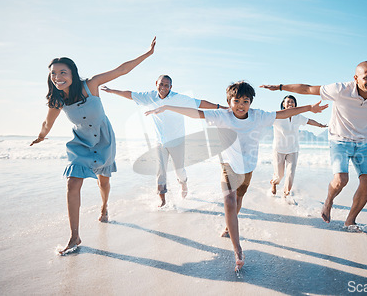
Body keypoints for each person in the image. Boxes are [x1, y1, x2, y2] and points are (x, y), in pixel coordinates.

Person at [145, 81, 328, 271]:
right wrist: (167, 106)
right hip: (228, 165)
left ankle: (228, 226)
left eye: (245, 101)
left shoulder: (258, 116)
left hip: (248, 167)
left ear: (251, 102)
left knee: (239, 199)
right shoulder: (221, 116)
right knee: (230, 202)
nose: (241, 105)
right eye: (236, 101)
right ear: (229, 101)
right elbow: (195, 112)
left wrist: (309, 108)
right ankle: (238, 249)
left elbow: (283, 114)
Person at [261, 61, 367, 230]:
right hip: (339, 140)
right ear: (356, 78)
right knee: (341, 180)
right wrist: (280, 87)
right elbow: (308, 89)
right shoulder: (341, 90)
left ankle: (350, 220)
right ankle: (328, 201)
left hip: (363, 142)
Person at [30, 37, 157, 255]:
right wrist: (41, 137)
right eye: (53, 74)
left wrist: (147, 54)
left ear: (72, 73)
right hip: (81, 143)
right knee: (72, 184)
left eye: (63, 72)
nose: (57, 77)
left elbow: (122, 69)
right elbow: (46, 123)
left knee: (104, 181)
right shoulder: (58, 99)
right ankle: (74, 236)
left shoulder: (91, 85)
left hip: (104, 140)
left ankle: (105, 206)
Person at [102, 74, 226, 208]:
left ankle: (183, 183)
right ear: (156, 83)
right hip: (160, 142)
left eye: (166, 85)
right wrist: (112, 91)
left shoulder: (179, 98)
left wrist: (220, 107)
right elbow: (130, 94)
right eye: (161, 84)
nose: (163, 87)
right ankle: (162, 199)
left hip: (177, 141)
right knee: (160, 171)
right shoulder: (149, 96)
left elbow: (200, 103)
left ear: (171, 87)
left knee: (179, 170)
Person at [270, 95, 327, 197]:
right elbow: (264, 120)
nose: (290, 103)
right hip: (279, 150)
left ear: (295, 104)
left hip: (293, 149)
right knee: (280, 175)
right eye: (288, 102)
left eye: (292, 102)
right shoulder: (277, 116)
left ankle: (286, 195)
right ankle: (274, 182)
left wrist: (320, 125)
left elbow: (309, 121)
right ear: (283, 104)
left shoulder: (298, 117)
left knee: (291, 174)